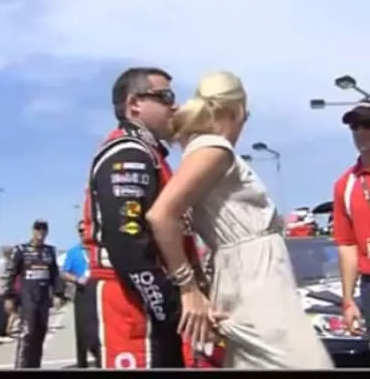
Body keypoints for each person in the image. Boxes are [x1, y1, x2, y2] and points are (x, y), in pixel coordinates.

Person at [145, 71, 333, 369]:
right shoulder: (214, 148)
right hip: (256, 280)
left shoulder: (204, 149)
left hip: (248, 276)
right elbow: (161, 215)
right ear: (236, 111)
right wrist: (189, 288)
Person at [81, 67, 206, 369]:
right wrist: (172, 307)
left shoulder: (149, 153)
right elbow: (127, 244)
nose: (175, 106)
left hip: (142, 301)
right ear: (134, 103)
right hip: (125, 303)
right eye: (166, 97)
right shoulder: (128, 153)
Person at [333, 103, 370, 338]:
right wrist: (348, 301)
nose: (360, 132)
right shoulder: (345, 184)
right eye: (354, 127)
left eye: (367, 125)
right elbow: (347, 245)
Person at [2, 220, 60, 368]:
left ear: (46, 232)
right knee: (27, 333)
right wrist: (9, 297)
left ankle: (35, 367)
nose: (40, 233)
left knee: (40, 333)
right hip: (28, 298)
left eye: (43, 230)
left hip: (43, 298)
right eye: (37, 229)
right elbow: (10, 274)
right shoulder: (21, 250)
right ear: (33, 231)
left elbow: (55, 275)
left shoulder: (50, 251)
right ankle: (21, 367)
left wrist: (58, 294)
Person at [61, 220, 92, 368]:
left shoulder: (99, 249)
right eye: (80, 230)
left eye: (85, 229)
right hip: (82, 293)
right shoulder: (73, 252)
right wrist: (76, 279)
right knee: (82, 329)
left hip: (100, 292)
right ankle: (82, 363)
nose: (83, 232)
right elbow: (64, 273)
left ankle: (102, 357)